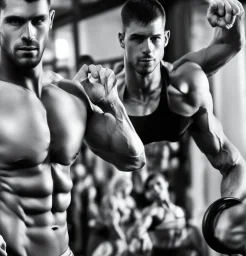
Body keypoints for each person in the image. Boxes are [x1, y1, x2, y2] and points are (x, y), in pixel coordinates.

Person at [75, 0, 246, 254]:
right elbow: (131, 162)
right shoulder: (107, 99)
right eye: (137, 38)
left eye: (155, 39)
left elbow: (235, 166)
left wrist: (225, 211)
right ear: (122, 39)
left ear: (166, 38)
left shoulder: (186, 84)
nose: (147, 48)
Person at [0, 0, 146, 256]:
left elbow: (133, 158)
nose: (29, 35)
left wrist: (111, 102)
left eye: (38, 20)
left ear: (51, 20)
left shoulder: (69, 94)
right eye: (15, 21)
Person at [127, 172, 206, 256]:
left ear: (166, 183)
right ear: (149, 192)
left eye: (158, 184)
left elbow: (182, 235)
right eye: (151, 187)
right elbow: (137, 231)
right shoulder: (151, 212)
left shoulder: (179, 210)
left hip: (179, 252)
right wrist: (142, 235)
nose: (156, 189)